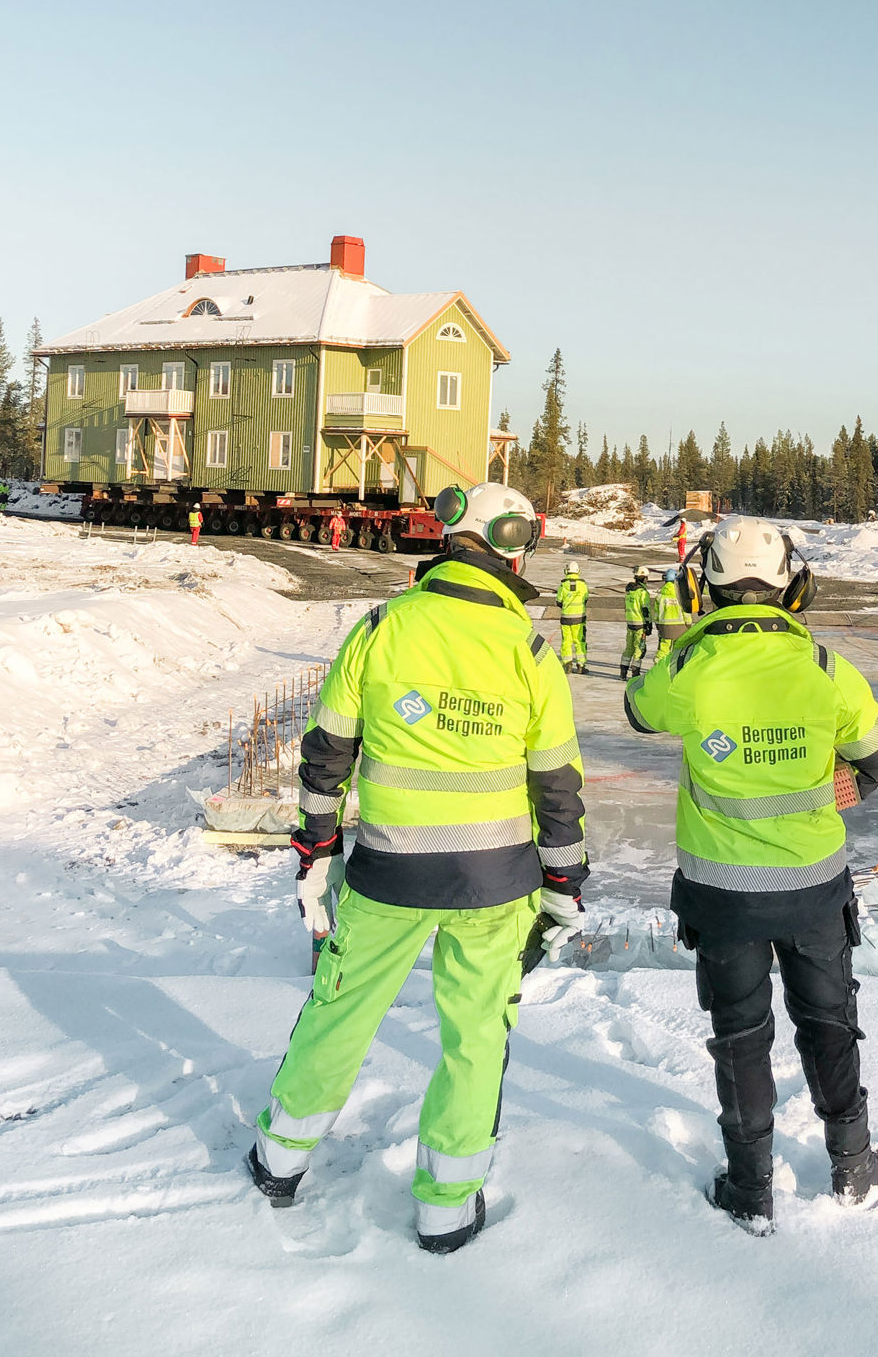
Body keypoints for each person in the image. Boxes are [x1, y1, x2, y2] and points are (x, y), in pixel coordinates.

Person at [247, 480, 588, 1252]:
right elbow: (558, 788)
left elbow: (328, 754)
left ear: (445, 539)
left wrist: (315, 851)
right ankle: (445, 1209)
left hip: (389, 875)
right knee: (476, 1039)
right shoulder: (530, 651)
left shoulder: (381, 627)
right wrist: (564, 884)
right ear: (512, 548)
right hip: (497, 884)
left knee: (340, 1012)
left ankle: (280, 1161)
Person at [625, 516, 878, 1233]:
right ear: (794, 586)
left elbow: (637, 710)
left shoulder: (688, 666)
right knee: (830, 1023)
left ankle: (751, 1191)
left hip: (723, 898)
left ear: (704, 584)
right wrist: (832, 791)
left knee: (741, 1038)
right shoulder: (825, 669)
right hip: (813, 889)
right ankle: (853, 1164)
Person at [556, 559, 589, 674]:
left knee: (566, 642)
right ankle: (581, 665)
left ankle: (567, 665)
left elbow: (558, 601)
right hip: (579, 619)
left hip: (566, 618)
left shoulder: (563, 585)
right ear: (578, 571)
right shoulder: (583, 585)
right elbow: (586, 598)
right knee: (580, 642)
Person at [620, 566, 653, 680]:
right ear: (643, 578)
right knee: (639, 648)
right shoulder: (642, 593)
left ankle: (623, 672)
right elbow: (645, 609)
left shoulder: (629, 592)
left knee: (629, 648)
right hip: (640, 625)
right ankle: (635, 672)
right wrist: (648, 624)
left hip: (630, 624)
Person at [653, 566, 689, 660]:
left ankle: (658, 669)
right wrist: (688, 624)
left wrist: (657, 624)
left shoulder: (660, 596)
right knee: (678, 650)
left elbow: (656, 613)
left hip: (665, 627)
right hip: (680, 627)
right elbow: (685, 611)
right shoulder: (680, 594)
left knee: (663, 649)